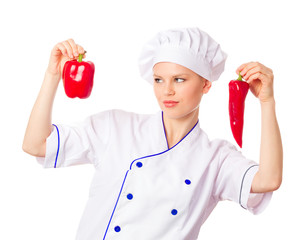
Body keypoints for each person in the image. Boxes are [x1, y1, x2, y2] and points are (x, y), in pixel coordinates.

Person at [22, 28, 283, 240]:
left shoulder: (215, 158)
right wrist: (53, 75)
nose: (166, 90)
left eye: (179, 79)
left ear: (205, 85)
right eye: (159, 79)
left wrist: (267, 102)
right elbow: (36, 145)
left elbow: (268, 179)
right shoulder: (115, 127)